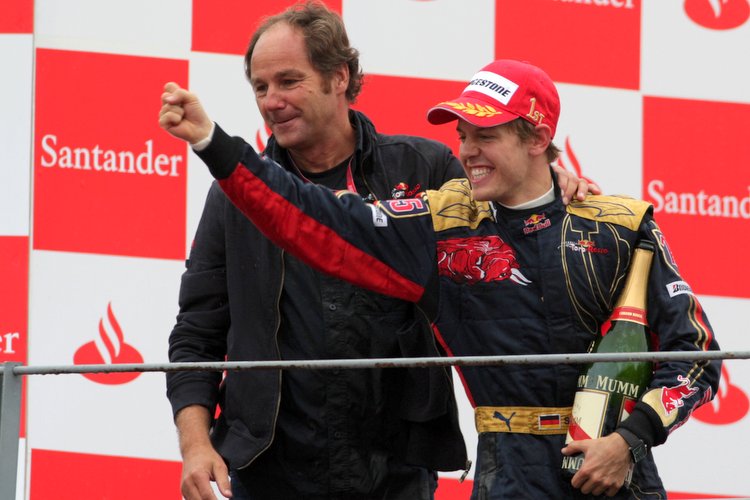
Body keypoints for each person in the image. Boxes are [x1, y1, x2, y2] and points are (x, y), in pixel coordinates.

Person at [160, 56, 721, 499]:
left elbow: (695, 354)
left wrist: (630, 440)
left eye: (485, 135)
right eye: (462, 136)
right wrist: (216, 145)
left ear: (535, 137)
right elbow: (317, 217)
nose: (468, 152)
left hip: (621, 475)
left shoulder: (622, 225)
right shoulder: (440, 225)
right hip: (509, 475)